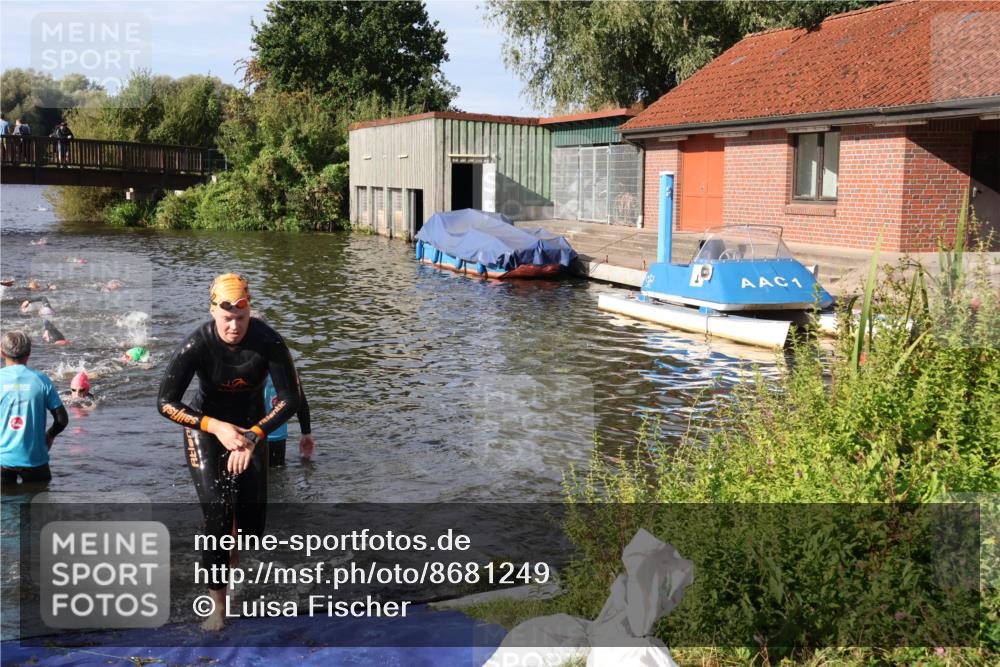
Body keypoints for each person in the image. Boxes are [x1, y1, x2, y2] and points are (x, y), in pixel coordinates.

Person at [157, 273, 300, 630]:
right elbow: (164, 403)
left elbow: (291, 400)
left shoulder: (269, 342)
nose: (234, 326)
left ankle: (230, 547)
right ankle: (218, 605)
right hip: (206, 430)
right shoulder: (197, 345)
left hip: (250, 432)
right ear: (213, 313)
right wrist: (217, 427)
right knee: (217, 517)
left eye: (241, 318)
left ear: (250, 312)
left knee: (251, 530)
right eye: (226, 319)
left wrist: (253, 436)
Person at [1, 332, 68, 485]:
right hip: (35, 460)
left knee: (4, 506)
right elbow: (62, 420)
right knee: (37, 505)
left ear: (1, 352)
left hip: (2, 461)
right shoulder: (42, 380)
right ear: (29, 352)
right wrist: (50, 436)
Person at [263, 374, 314, 466]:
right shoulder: (282, 364)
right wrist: (306, 432)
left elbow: (298, 396)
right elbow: (298, 396)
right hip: (258, 435)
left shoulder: (283, 365)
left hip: (274, 436)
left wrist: (306, 432)